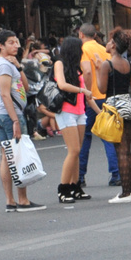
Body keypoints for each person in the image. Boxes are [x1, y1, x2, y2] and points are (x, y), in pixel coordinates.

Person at [0, 30, 45, 213]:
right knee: (16, 155)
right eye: (11, 42)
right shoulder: (3, 66)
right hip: (9, 115)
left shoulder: (10, 64)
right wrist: (15, 120)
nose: (16, 45)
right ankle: (21, 199)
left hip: (7, 114)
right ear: (1, 45)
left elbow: (26, 88)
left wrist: (19, 67)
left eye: (17, 42)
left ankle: (11, 201)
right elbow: (5, 94)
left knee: (8, 155)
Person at [100, 28, 131, 202]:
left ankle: (125, 193)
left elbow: (102, 89)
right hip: (129, 105)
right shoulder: (129, 65)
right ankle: (130, 189)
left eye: (110, 41)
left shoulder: (107, 64)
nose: (107, 43)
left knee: (121, 151)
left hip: (114, 107)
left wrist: (97, 69)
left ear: (114, 45)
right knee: (128, 150)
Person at [51, 34, 94, 203]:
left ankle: (75, 186)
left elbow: (87, 95)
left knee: (78, 150)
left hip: (80, 111)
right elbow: (61, 85)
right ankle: (63, 188)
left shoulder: (76, 68)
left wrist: (100, 111)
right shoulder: (59, 64)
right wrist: (82, 91)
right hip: (66, 110)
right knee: (74, 150)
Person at [77, 24, 120, 187]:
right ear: (95, 35)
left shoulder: (83, 49)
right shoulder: (103, 49)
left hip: (92, 96)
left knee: (85, 137)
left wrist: (87, 92)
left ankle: (80, 175)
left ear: (81, 34)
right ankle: (116, 173)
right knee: (108, 135)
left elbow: (86, 71)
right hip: (106, 95)